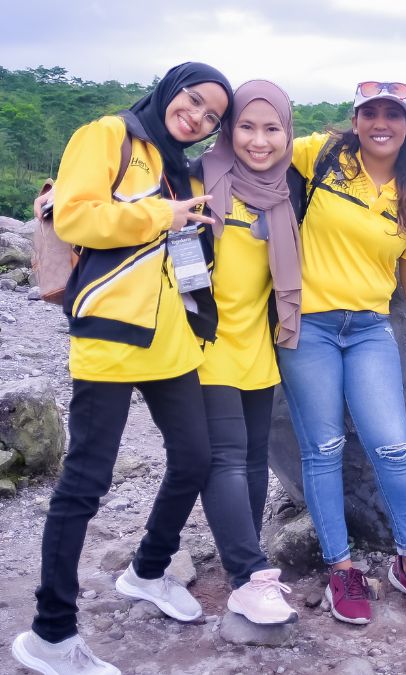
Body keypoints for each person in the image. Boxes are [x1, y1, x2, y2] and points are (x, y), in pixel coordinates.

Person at [12, 63, 232, 675]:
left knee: (194, 458)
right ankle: (50, 637)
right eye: (193, 101)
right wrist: (166, 216)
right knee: (85, 482)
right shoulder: (108, 135)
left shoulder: (177, 168)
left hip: (170, 341)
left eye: (212, 116)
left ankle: (148, 570)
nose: (198, 117)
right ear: (169, 89)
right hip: (110, 335)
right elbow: (78, 217)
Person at [276, 81, 406, 626]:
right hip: (306, 325)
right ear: (356, 120)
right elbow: (252, 149)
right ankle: (341, 570)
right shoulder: (323, 154)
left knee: (394, 448)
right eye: (370, 113)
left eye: (393, 114)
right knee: (324, 448)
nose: (380, 122)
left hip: (367, 330)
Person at [194, 80, 303, 625]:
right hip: (204, 344)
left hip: (257, 345)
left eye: (272, 128)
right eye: (245, 126)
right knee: (227, 458)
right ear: (227, 128)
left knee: (254, 458)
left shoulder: (289, 189)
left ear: (287, 132)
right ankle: (247, 575)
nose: (259, 141)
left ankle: (239, 549)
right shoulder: (197, 178)